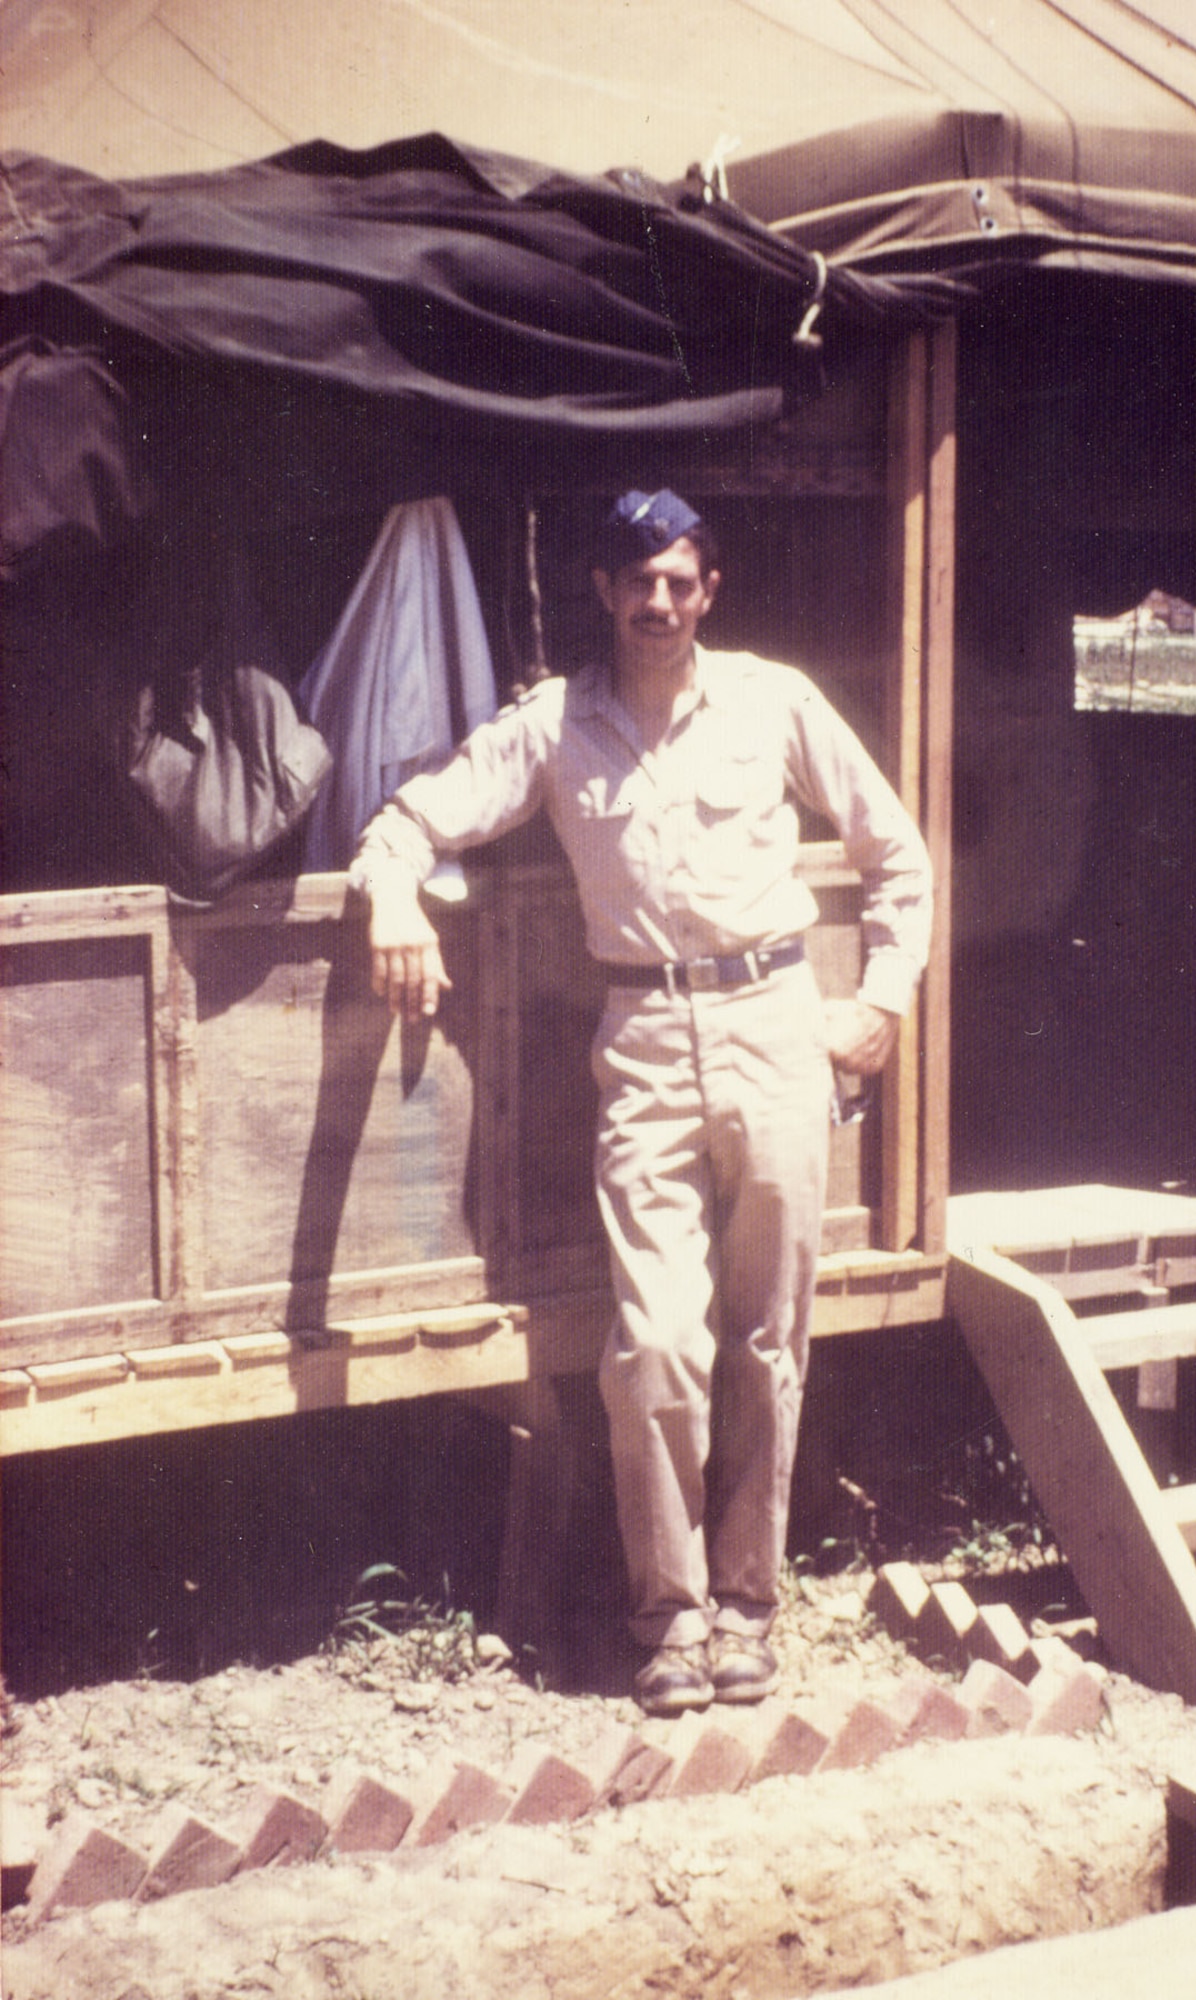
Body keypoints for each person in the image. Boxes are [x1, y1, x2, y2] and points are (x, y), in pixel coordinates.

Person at [351, 489, 932, 1715]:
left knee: (770, 1333)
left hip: (777, 1023)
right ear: (605, 592)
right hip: (647, 1041)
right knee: (658, 1341)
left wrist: (879, 997)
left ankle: (748, 1607)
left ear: (707, 589)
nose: (658, 601)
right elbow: (412, 816)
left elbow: (896, 852)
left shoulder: (772, 700)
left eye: (679, 579)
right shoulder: (559, 725)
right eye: (636, 580)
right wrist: (393, 896)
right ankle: (667, 1616)